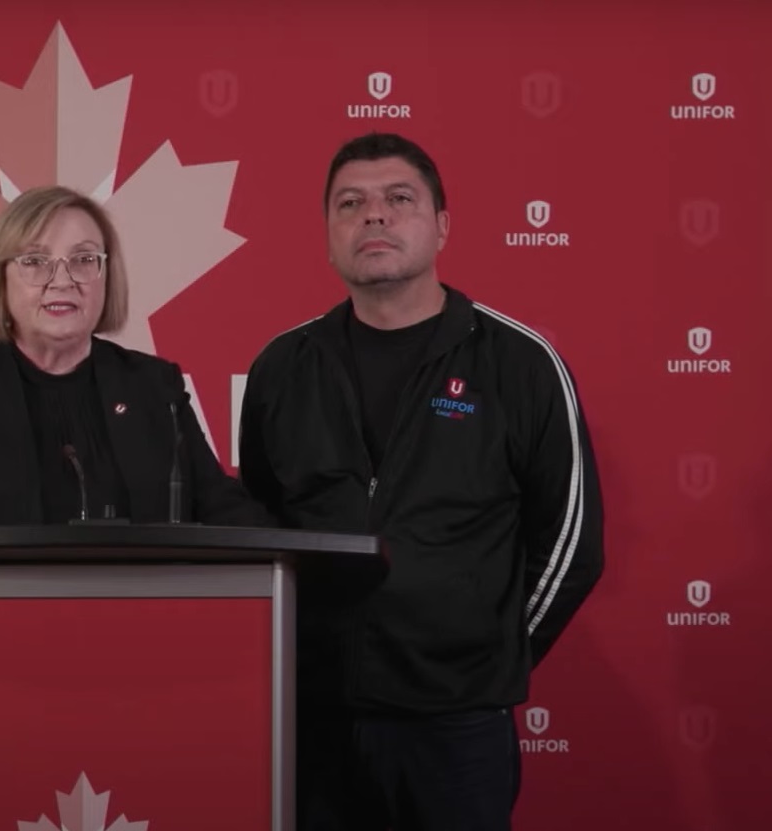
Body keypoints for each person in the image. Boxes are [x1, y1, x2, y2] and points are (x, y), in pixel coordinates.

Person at [237, 133, 605, 830]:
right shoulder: (282, 367)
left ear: (441, 226)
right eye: (350, 203)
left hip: (456, 729)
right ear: (328, 236)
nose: (373, 215)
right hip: (314, 722)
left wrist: (485, 659)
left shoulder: (519, 363)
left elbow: (571, 545)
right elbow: (261, 530)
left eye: (398, 198)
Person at [0, 185, 270, 529]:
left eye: (84, 259)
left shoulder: (154, 387)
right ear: (1, 279)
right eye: (35, 261)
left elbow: (224, 511)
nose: (62, 280)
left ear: (106, 276)